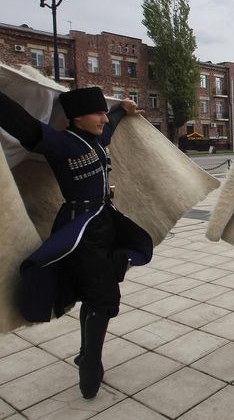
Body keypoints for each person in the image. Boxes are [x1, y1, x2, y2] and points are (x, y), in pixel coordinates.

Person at [0, 87, 153, 399]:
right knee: (105, 301)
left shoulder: (96, 138)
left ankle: (86, 354)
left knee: (93, 295)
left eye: (102, 112)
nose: (102, 119)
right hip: (80, 230)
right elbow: (24, 125)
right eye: (96, 114)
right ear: (77, 117)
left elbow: (110, 124)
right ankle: (90, 366)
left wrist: (122, 109)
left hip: (104, 223)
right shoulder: (61, 142)